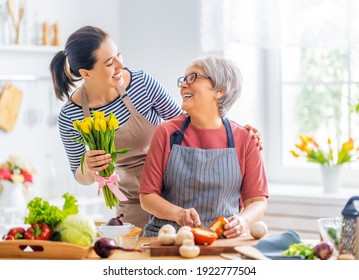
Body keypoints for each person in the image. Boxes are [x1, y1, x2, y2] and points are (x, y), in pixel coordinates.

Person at [49, 26, 263, 229]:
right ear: (86, 73)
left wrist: (234, 132)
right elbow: (80, 176)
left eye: (118, 55)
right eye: (109, 63)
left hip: (175, 195)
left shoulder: (141, 84)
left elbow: (191, 121)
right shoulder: (71, 115)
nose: (120, 66)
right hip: (132, 201)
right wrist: (88, 166)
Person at [139, 56, 268, 237]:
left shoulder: (245, 138)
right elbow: (147, 198)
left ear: (220, 90)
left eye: (193, 77)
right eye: (183, 79)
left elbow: (257, 200)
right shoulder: (166, 132)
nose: (183, 84)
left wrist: (243, 220)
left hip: (222, 241)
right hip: (169, 239)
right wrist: (178, 214)